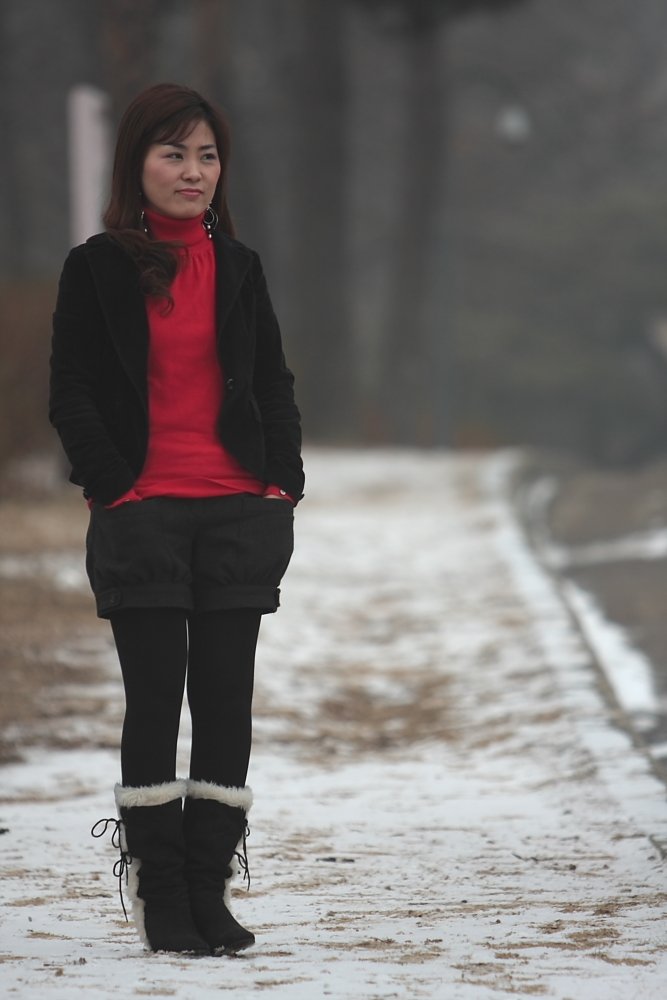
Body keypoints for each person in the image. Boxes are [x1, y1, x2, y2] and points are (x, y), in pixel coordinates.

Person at [49, 83, 303, 956]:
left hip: (239, 511)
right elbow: (72, 391)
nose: (193, 172)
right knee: (156, 701)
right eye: (174, 154)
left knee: (225, 702)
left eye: (207, 156)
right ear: (138, 164)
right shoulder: (96, 267)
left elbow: (272, 381)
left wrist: (281, 485)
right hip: (143, 514)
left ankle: (207, 889)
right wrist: (113, 486)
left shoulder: (239, 266)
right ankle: (162, 894)